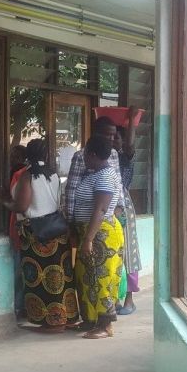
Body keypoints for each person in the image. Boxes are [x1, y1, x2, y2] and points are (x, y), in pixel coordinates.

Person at [13, 138, 79, 329]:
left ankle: (47, 322)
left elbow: (22, 206)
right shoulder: (54, 175)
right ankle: (66, 317)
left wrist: (6, 201)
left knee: (40, 280)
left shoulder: (27, 176)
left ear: (27, 155)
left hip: (37, 235)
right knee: (60, 277)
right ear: (47, 155)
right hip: (57, 231)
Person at [72, 135, 124, 339]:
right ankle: (90, 320)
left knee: (102, 278)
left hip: (101, 234)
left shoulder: (105, 176)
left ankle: (106, 324)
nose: (83, 158)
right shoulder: (94, 173)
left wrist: (88, 239)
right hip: (91, 231)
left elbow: (101, 209)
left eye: (85, 154)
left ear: (92, 155)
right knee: (87, 277)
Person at [64, 116, 123, 222]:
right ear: (97, 133)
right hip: (88, 218)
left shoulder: (114, 153)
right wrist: (70, 220)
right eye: (108, 134)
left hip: (110, 216)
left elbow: (118, 182)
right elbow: (72, 189)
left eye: (113, 135)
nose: (111, 138)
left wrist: (120, 206)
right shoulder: (82, 156)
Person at [114, 110, 142, 314]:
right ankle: (113, 299)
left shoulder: (125, 158)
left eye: (116, 137)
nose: (112, 140)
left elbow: (131, 146)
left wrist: (131, 121)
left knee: (129, 254)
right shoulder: (107, 158)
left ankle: (129, 300)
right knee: (110, 254)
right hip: (107, 207)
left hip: (123, 207)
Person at [0, 144, 28, 322]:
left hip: (19, 226)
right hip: (31, 229)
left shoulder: (19, 174)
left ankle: (19, 307)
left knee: (19, 271)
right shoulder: (45, 174)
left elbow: (16, 203)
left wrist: (2, 199)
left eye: (13, 156)